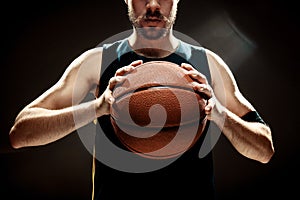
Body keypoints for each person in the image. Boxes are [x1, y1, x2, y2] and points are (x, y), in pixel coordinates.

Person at [9, 0, 274, 199]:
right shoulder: (97, 62)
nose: (152, 6)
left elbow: (264, 150)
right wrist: (97, 107)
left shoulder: (208, 64)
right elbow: (21, 132)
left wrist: (219, 112)